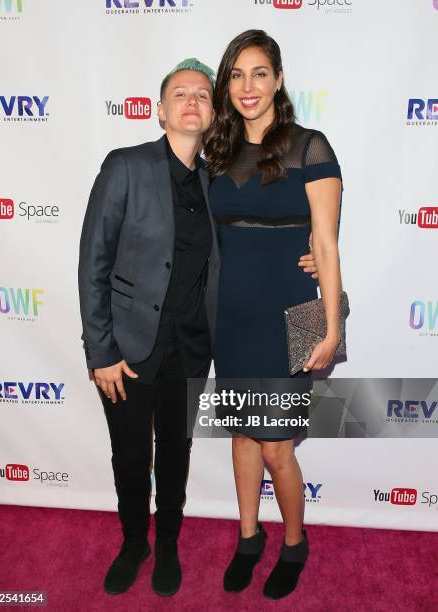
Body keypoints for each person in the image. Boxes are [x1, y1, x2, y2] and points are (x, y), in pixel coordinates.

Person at [78, 57, 318, 598]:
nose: (192, 102)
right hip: (127, 349)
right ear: (161, 111)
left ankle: (166, 546)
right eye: (179, 94)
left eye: (203, 95)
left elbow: (265, 229)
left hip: (194, 347)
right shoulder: (125, 166)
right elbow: (93, 260)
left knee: (177, 454)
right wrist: (100, 350)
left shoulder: (219, 181)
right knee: (132, 456)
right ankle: (133, 542)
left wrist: (314, 257)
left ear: (213, 114)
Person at [204, 30, 343, 600]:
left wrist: (331, 328)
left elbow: (328, 247)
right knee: (241, 438)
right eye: (237, 74)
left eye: (260, 73)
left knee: (276, 447)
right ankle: (247, 537)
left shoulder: (310, 147)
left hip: (296, 314)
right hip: (232, 316)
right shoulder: (216, 152)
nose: (248, 86)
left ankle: (293, 542)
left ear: (279, 80)